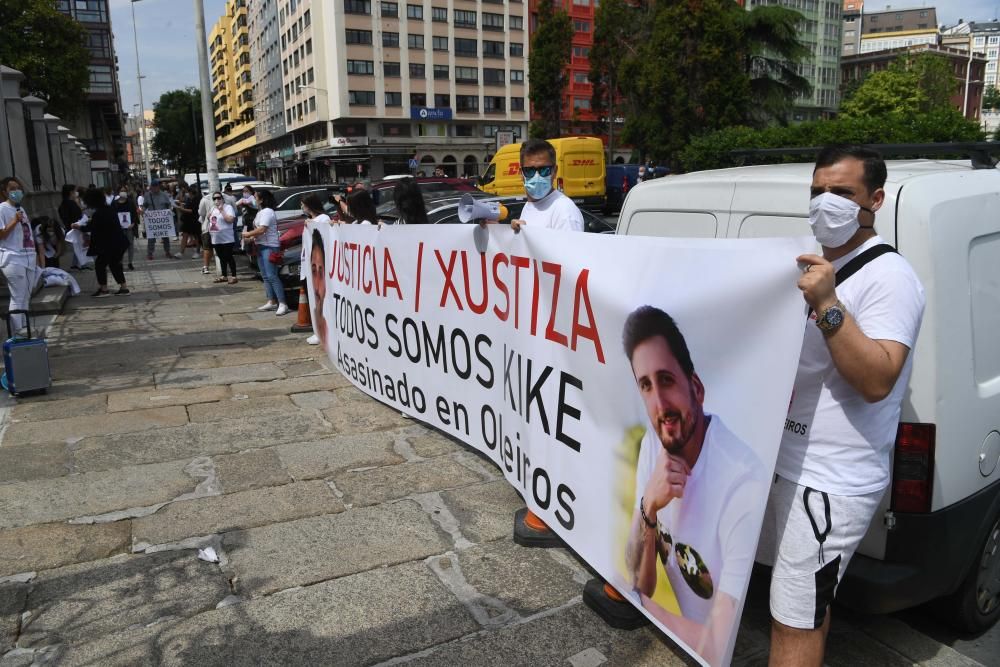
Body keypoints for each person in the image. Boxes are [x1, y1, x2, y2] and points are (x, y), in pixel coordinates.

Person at [756, 145, 925, 666]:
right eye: (817, 192)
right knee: (800, 603)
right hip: (786, 461)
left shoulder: (890, 278)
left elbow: (877, 378)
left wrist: (828, 305)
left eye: (842, 193)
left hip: (829, 480)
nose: (825, 203)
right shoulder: (815, 260)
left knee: (794, 616)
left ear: (874, 200)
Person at [622, 305, 766, 666]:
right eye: (646, 385)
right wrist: (648, 509)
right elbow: (641, 579)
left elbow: (719, 646)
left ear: (696, 388)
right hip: (685, 643)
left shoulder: (742, 480)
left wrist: (636, 604)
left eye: (666, 380)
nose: (659, 404)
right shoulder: (654, 446)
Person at [509, 139, 584, 232]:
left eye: (544, 170)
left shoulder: (564, 211)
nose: (537, 176)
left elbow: (570, 246)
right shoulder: (529, 206)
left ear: (555, 171)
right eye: (529, 171)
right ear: (521, 173)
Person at [0, 177, 40, 333]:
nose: (17, 191)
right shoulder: (2, 209)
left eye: (18, 188)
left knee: (26, 295)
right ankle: (17, 331)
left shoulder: (20, 209)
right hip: (12, 258)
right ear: (5, 192)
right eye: (12, 189)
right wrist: (13, 221)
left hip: (28, 256)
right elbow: (2, 234)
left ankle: (24, 326)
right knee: (18, 295)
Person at [241, 189, 288, 315]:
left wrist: (248, 234)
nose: (253, 199)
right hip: (261, 245)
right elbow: (259, 231)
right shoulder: (260, 212)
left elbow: (262, 229)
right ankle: (271, 300)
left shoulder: (267, 212)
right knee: (265, 276)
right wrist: (251, 239)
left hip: (270, 246)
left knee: (272, 275)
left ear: (261, 199)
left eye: (255, 197)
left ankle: (282, 303)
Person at [83, 187, 130, 297]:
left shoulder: (99, 213)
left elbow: (92, 227)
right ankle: (123, 288)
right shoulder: (108, 209)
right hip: (118, 243)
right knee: (114, 264)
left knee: (100, 264)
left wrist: (78, 227)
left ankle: (104, 289)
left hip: (111, 244)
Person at [139, 179, 178, 260]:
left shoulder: (164, 195)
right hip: (152, 221)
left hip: (163, 220)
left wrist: (169, 211)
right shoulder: (147, 195)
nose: (154, 189)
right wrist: (143, 210)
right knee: (151, 237)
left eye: (156, 187)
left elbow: (169, 205)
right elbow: (145, 205)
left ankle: (167, 251)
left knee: (165, 237)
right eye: (153, 187)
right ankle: (150, 253)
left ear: (158, 187)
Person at [207, 191, 238, 284]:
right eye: (214, 198)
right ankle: (224, 275)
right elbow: (213, 221)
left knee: (228, 256)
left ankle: (234, 276)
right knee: (221, 257)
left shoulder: (228, 207)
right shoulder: (213, 208)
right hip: (216, 238)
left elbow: (230, 220)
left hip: (227, 238)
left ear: (222, 198)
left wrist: (222, 211)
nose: (217, 200)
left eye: (218, 198)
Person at [111, 187, 140, 270]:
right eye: (121, 191)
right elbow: (112, 216)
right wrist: (116, 225)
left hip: (129, 228)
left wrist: (133, 223)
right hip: (119, 229)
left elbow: (134, 214)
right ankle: (120, 262)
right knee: (120, 246)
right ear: (118, 192)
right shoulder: (114, 203)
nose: (123, 192)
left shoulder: (130, 202)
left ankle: (130, 263)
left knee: (130, 244)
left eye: (124, 191)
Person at [176, 185, 201, 259]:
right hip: (187, 220)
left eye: (188, 193)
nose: (187, 194)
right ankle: (181, 252)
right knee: (185, 236)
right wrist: (181, 206)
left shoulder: (197, 199)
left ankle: (197, 252)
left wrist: (181, 209)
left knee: (196, 236)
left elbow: (192, 211)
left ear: (191, 193)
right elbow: (186, 206)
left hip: (194, 220)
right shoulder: (189, 199)